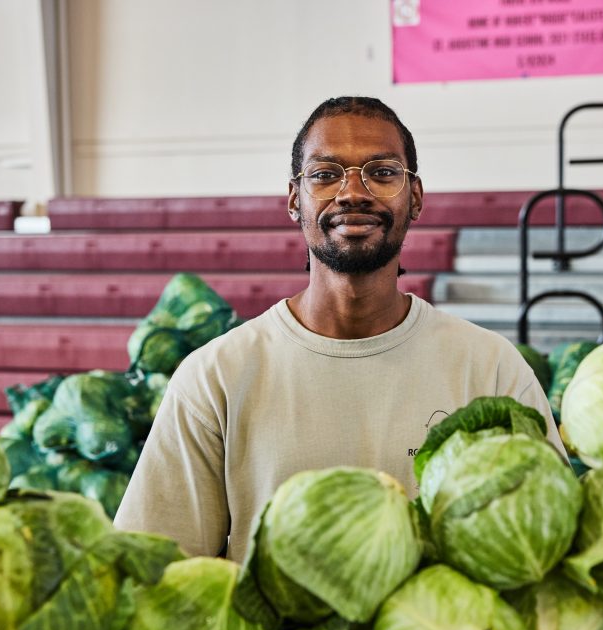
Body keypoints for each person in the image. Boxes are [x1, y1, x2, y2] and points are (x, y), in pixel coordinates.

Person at [114, 96, 566, 562]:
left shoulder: (490, 369)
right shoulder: (215, 379)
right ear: (295, 199)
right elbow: (157, 571)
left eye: (383, 172)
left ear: (416, 197)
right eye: (326, 175)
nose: (353, 192)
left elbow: (547, 536)